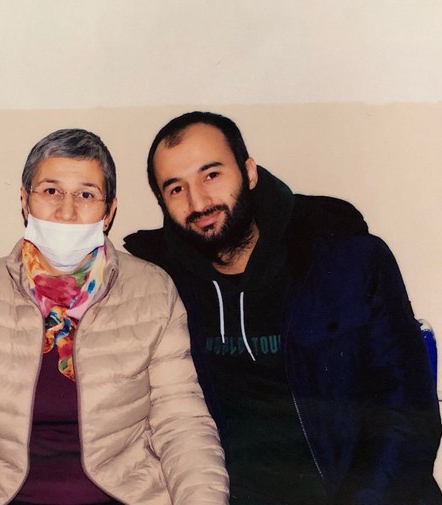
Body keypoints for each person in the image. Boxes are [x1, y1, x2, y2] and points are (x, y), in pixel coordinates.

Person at [0, 128, 228, 505]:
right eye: (51, 191)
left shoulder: (152, 291)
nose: (66, 211)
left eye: (86, 195)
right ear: (25, 201)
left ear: (109, 212)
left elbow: (182, 423)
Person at [123, 111, 442, 504]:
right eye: (176, 189)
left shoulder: (348, 261)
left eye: (212, 175)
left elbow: (406, 419)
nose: (198, 201)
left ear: (249, 172)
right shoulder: (160, 287)